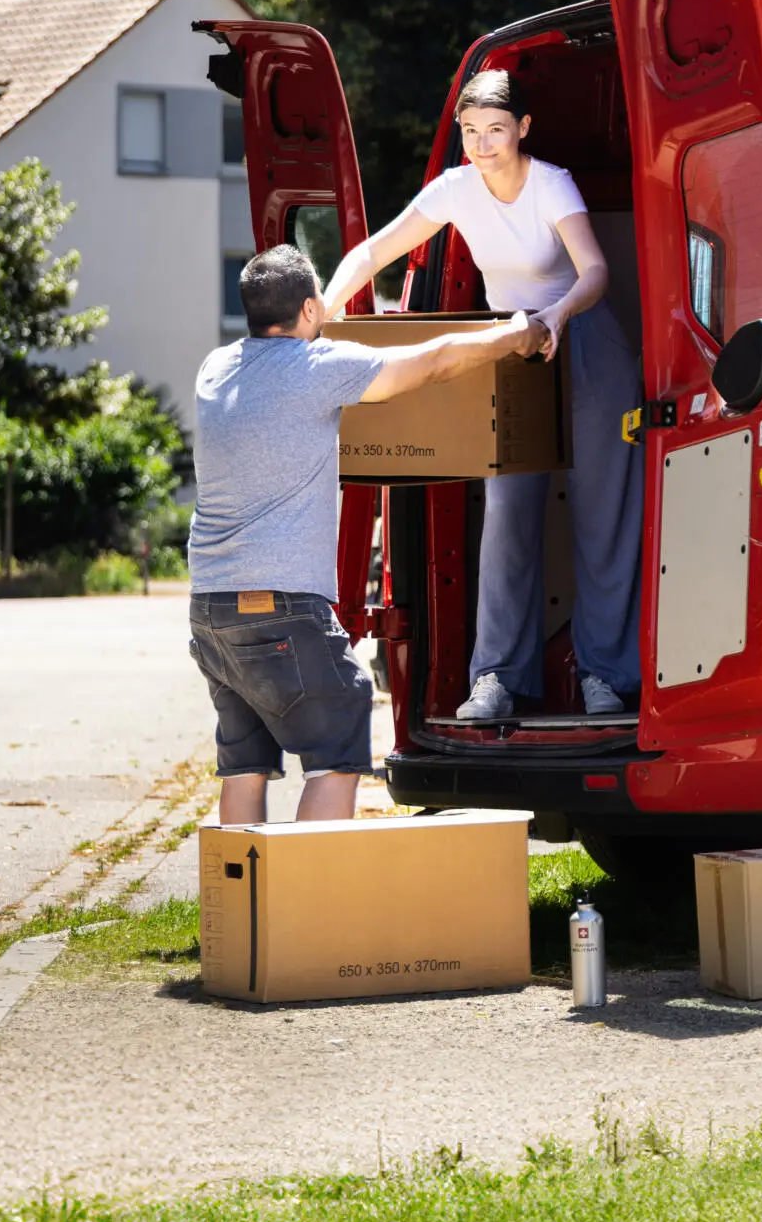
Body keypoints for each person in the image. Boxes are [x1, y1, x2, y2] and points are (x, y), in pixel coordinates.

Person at [321, 68, 645, 722]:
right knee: (507, 518)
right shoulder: (456, 189)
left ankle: (605, 678)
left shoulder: (551, 183)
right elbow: (370, 253)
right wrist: (322, 317)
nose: (482, 144)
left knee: (600, 516)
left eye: (495, 130)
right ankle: (497, 678)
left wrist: (556, 315)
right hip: (513, 348)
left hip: (584, 341)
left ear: (523, 129)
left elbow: (597, 272)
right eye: (471, 132)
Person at [190, 246, 546, 825]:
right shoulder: (316, 368)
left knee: (244, 763)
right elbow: (432, 362)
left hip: (210, 611)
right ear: (309, 308)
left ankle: (243, 909)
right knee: (335, 745)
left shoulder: (216, 367)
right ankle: (310, 904)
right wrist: (513, 334)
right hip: (281, 606)